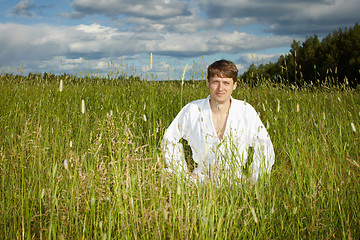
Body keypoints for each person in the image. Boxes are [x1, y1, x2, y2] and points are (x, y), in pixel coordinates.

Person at [162, 59, 275, 184]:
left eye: (226, 83)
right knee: (167, 175)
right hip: (199, 181)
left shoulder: (245, 110)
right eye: (216, 82)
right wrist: (182, 172)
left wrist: (253, 179)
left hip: (237, 182)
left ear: (235, 85)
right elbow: (169, 140)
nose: (220, 88)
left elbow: (265, 146)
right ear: (208, 83)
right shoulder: (193, 109)